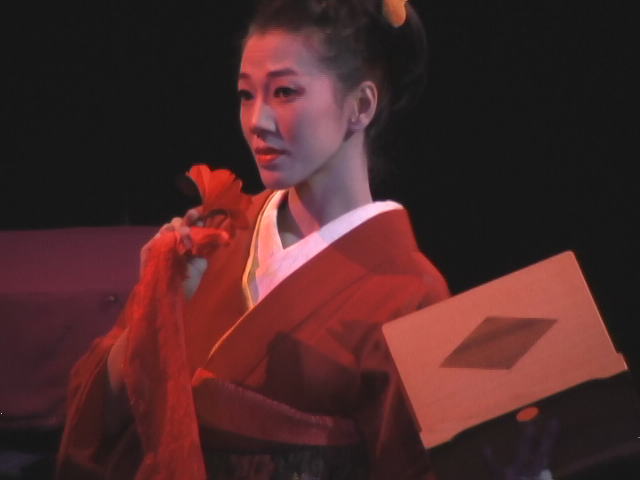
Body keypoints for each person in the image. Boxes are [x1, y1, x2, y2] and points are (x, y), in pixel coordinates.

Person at [56, 0, 449, 479]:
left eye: (284, 92)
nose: (257, 120)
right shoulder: (213, 234)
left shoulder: (411, 294)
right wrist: (157, 310)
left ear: (361, 106)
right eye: (246, 94)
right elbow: (100, 416)